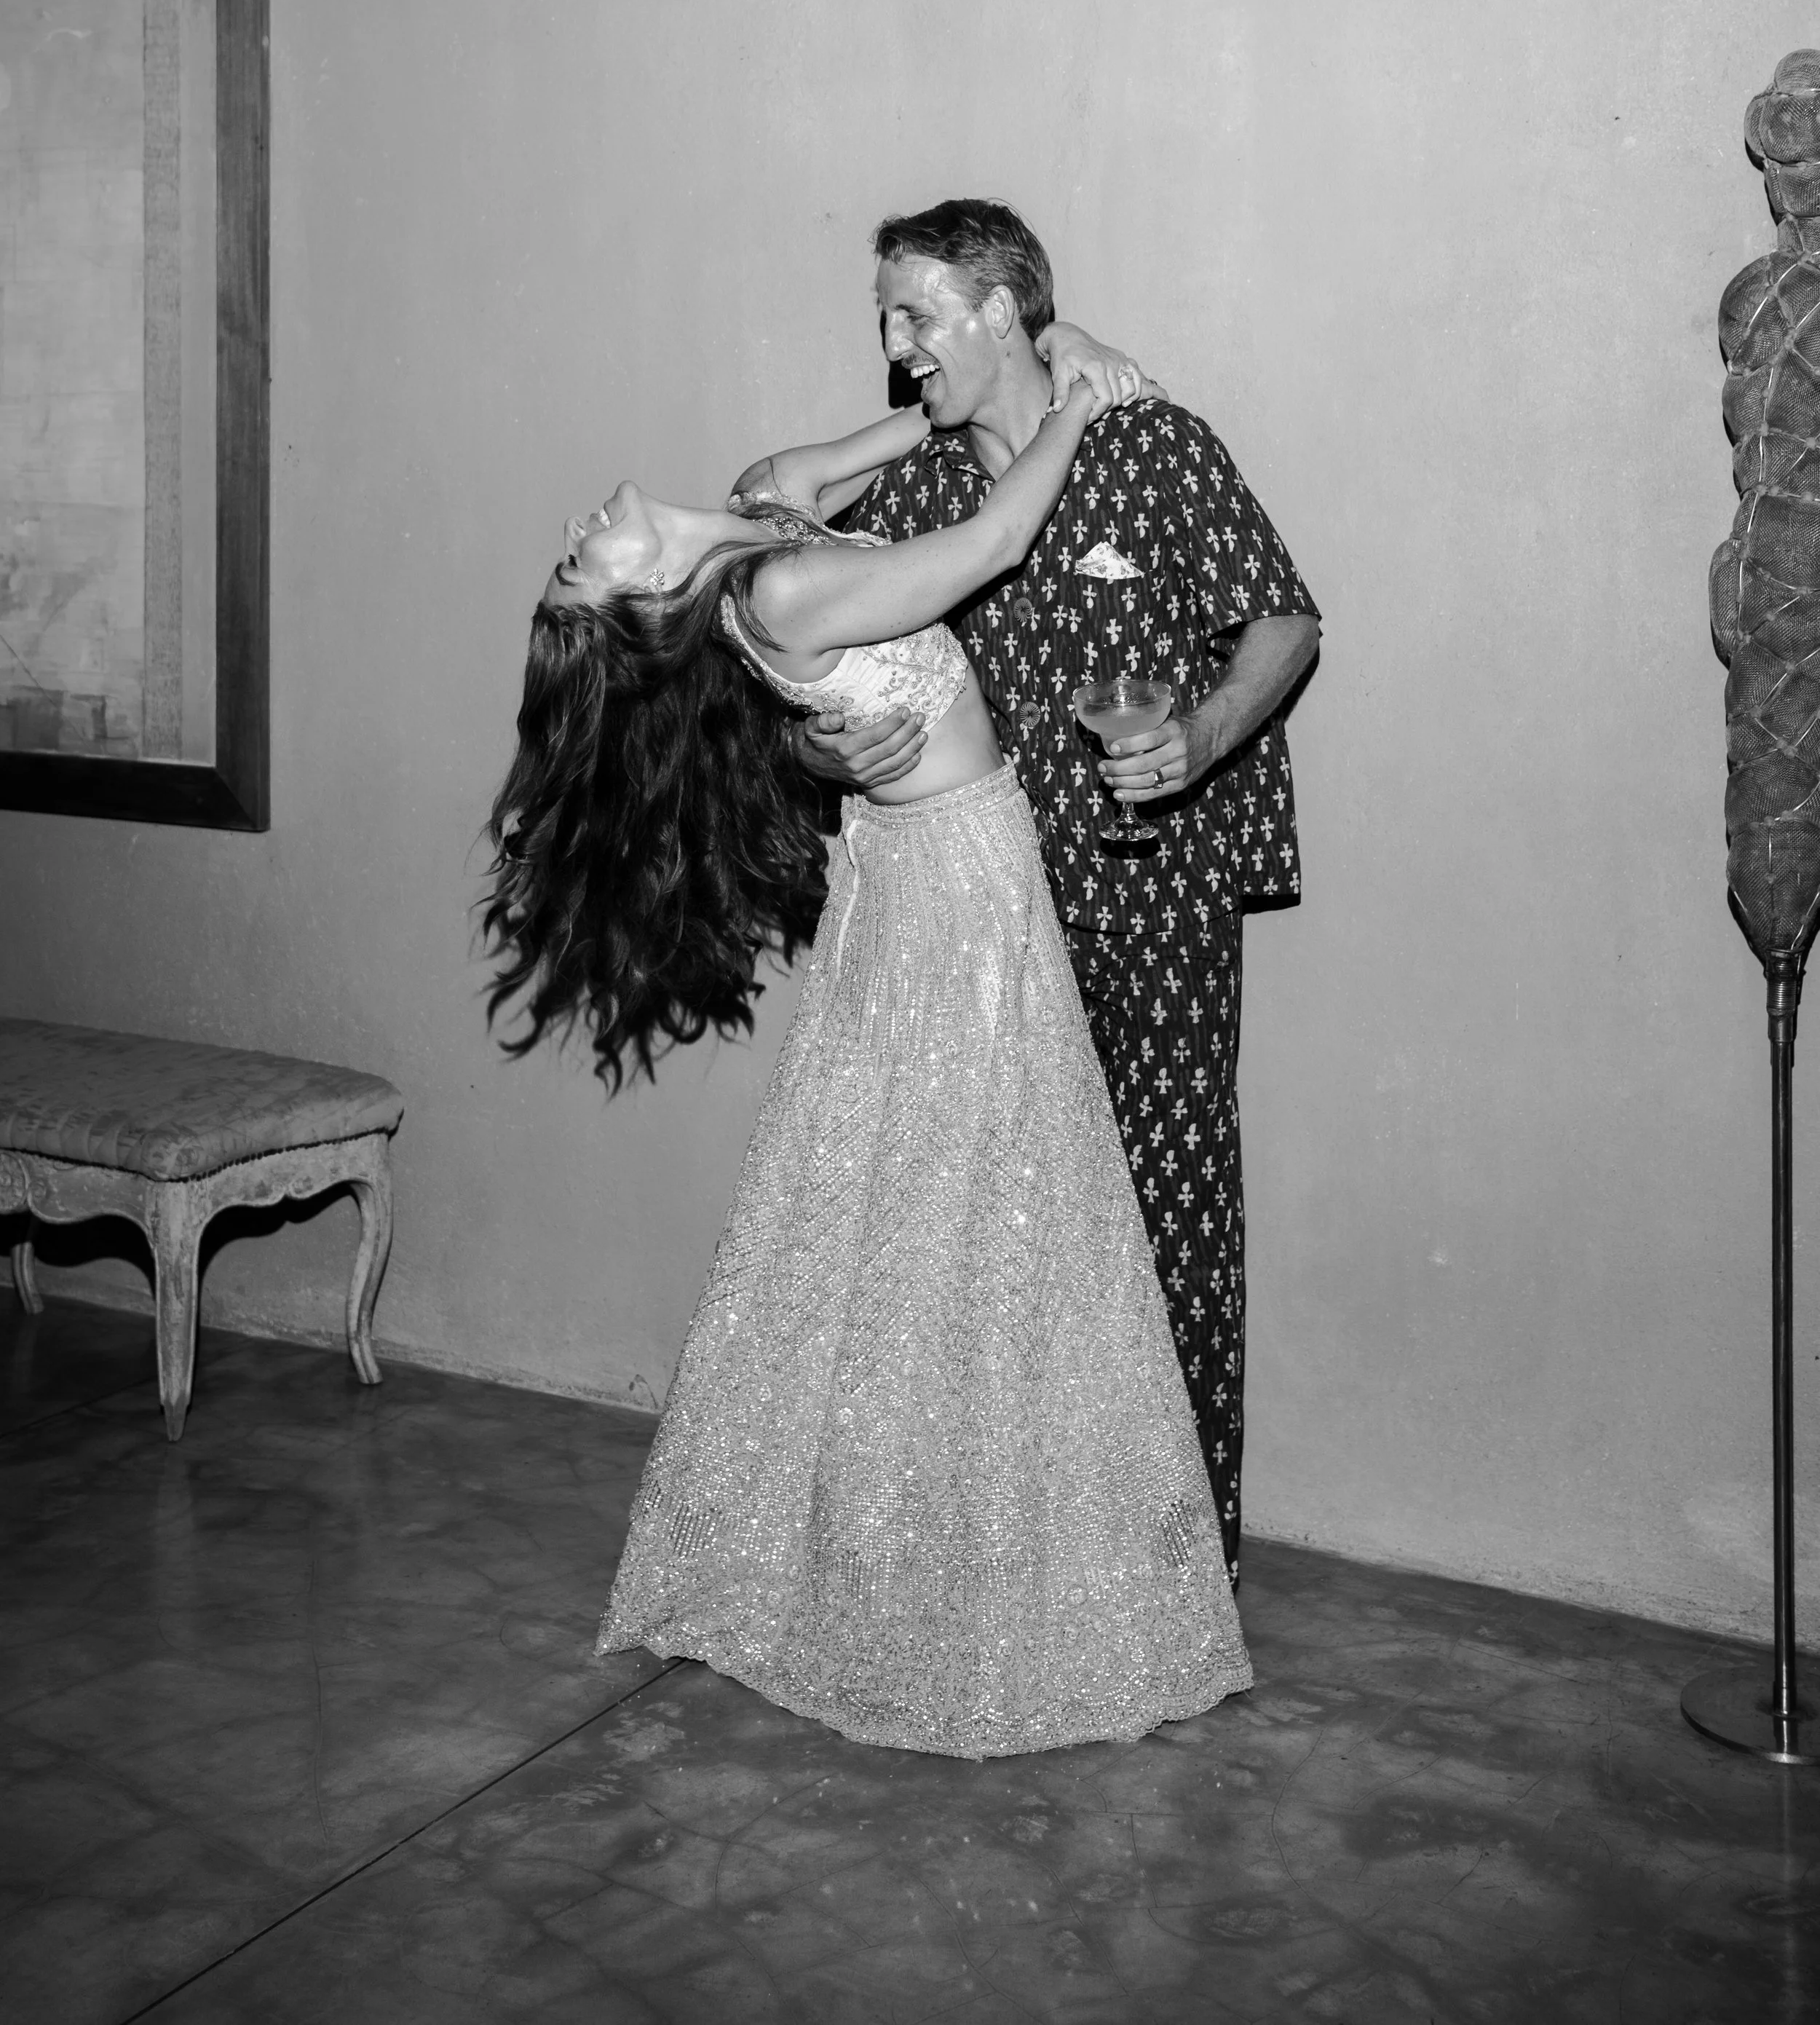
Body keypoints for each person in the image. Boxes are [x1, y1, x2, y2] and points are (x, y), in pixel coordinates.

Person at [481, 347, 1253, 1761]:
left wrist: (965, 384)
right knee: (990, 1213)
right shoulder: (777, 595)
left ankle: (890, 1555)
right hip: (957, 878)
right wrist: (1083, 396)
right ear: (646, 606)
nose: (578, 541)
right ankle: (957, 1591)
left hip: (913, 870)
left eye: (569, 562)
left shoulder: (757, 520)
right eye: (580, 573)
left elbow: (879, 443)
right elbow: (996, 539)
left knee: (900, 1216)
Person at [796, 202, 1320, 1582]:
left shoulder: (1154, 446)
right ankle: (1009, 1559)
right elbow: (807, 671)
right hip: (986, 928)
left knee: (1171, 1215)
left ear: (1005, 311)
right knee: (991, 1229)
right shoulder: (908, 502)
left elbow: (1285, 617)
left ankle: (1173, 1562)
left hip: (1158, 906)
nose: (898, 346)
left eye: (918, 314)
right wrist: (821, 740)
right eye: (887, 319)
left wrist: (1199, 738)